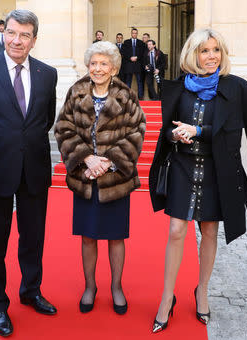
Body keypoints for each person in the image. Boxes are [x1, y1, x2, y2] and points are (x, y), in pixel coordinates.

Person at [148, 28, 247, 333]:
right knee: (177, 228)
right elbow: (166, 131)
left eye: (216, 50)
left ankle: (201, 290)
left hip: (218, 169)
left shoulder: (237, 88)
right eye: (204, 51)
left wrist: (198, 130)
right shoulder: (179, 88)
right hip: (182, 165)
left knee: (209, 230)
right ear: (193, 55)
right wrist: (176, 133)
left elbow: (246, 129)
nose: (211, 56)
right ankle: (167, 297)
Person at [0, 9, 58, 337]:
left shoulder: (48, 74)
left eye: (25, 35)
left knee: (33, 237)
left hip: (34, 168)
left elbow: (44, 120)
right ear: (3, 33)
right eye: (12, 33)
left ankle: (31, 290)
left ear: (34, 39)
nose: (17, 41)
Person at [54, 41, 146, 315]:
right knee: (88, 237)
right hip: (85, 178)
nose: (97, 68)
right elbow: (63, 127)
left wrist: (108, 161)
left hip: (115, 181)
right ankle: (90, 286)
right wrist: (87, 158)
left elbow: (137, 130)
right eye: (93, 63)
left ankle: (116, 287)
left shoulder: (126, 95)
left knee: (116, 237)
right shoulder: (77, 92)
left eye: (103, 63)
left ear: (114, 67)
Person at [122, 27, 145, 99]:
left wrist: (137, 57)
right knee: (128, 82)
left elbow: (143, 53)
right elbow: (123, 52)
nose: (134, 34)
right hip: (129, 64)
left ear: (137, 34)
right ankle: (127, 97)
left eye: (135, 33)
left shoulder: (141, 43)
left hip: (138, 65)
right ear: (131, 33)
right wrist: (130, 58)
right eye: (133, 33)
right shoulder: (126, 42)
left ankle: (140, 97)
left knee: (139, 82)